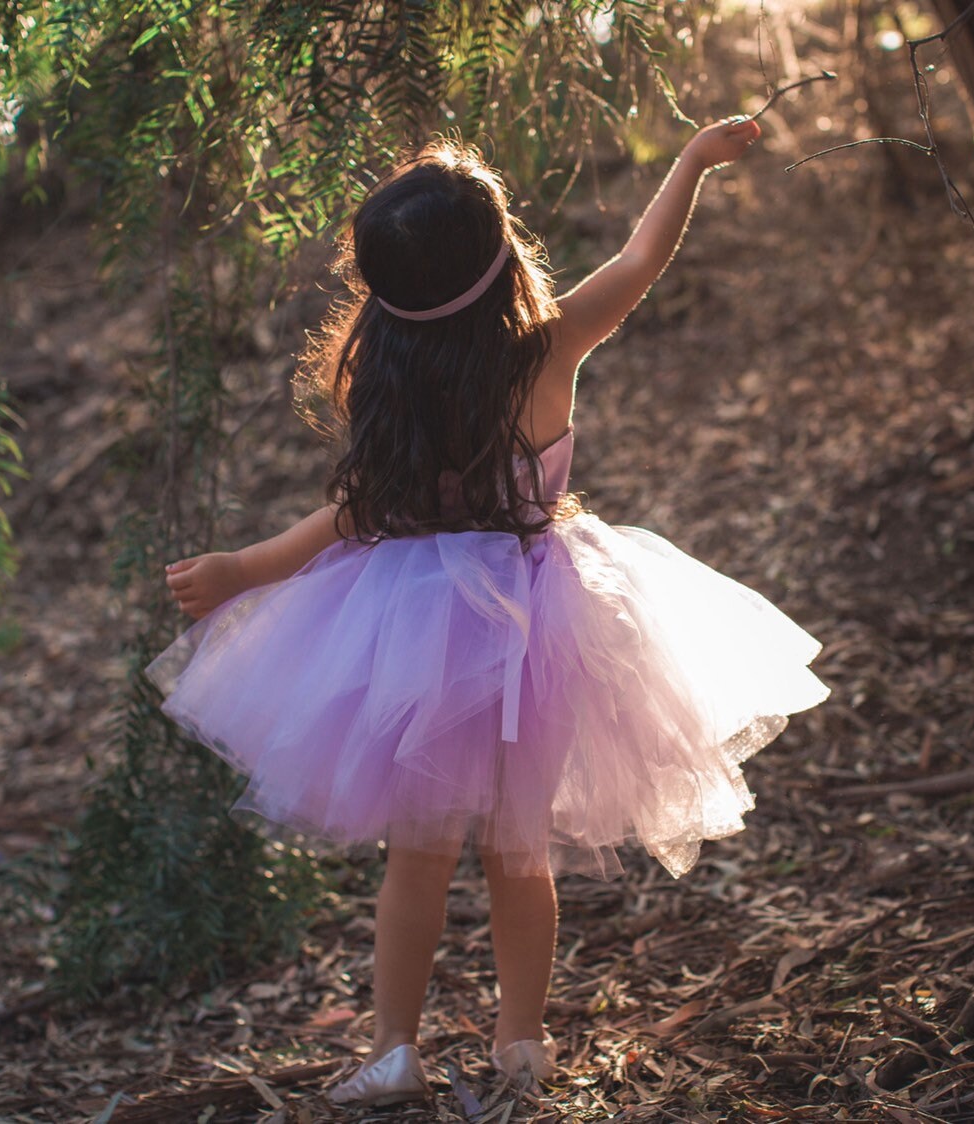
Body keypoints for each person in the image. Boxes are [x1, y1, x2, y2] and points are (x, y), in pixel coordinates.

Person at [148, 116, 828, 1108]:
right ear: (504, 260)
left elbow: (352, 516)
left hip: (410, 627)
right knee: (520, 850)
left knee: (415, 856)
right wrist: (688, 159)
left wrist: (245, 568)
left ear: (386, 301)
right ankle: (520, 1038)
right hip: (534, 624)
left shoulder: (387, 379)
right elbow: (640, 257)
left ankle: (392, 1046)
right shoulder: (547, 350)